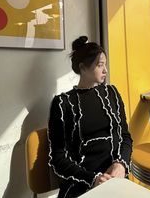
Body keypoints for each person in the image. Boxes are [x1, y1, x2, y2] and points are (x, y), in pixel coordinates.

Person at [47, 36, 133, 198]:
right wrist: (93, 179)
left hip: (116, 178)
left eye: (105, 64)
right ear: (83, 67)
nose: (105, 70)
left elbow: (125, 136)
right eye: (100, 65)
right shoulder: (63, 103)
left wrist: (121, 164)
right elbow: (58, 158)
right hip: (81, 183)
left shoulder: (112, 93)